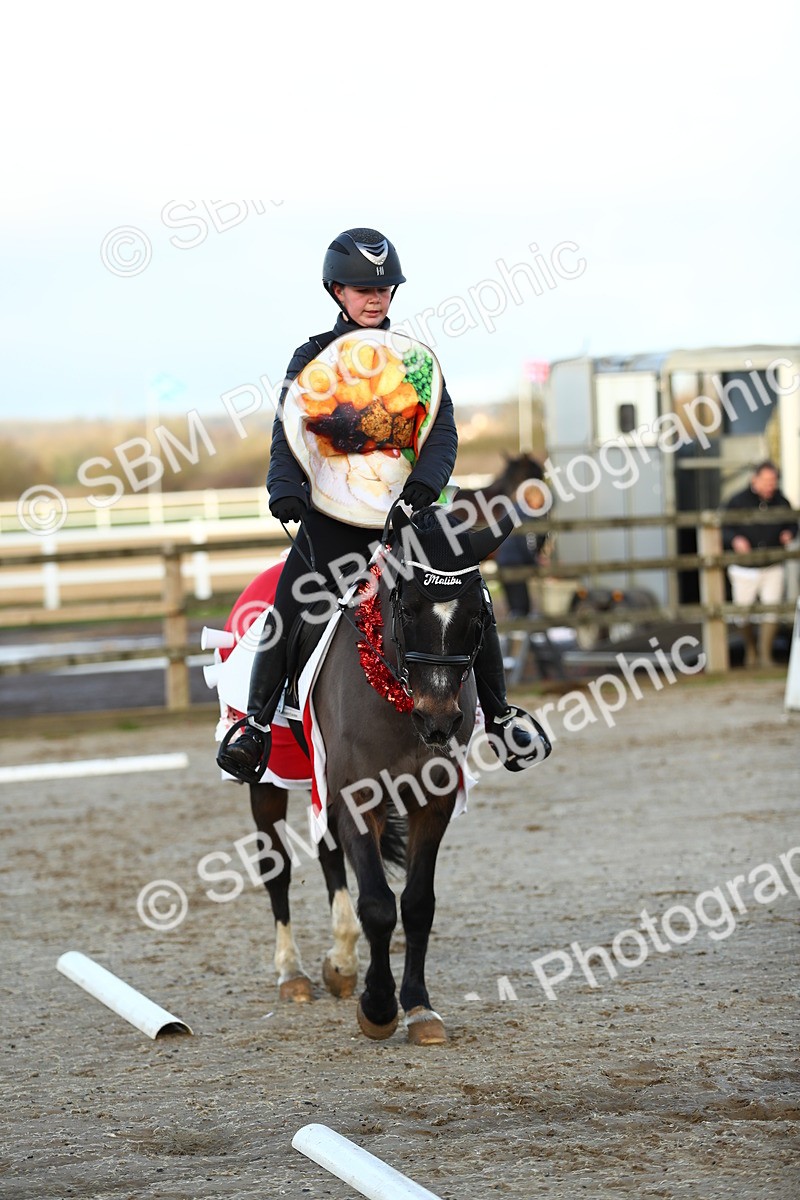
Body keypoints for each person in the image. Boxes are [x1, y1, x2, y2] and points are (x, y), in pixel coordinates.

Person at [218, 227, 545, 782]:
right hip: (337, 517)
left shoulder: (417, 363)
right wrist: (285, 487)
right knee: (287, 606)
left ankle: (499, 715)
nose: (374, 298)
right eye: (360, 288)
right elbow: (290, 435)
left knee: (472, 593)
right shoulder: (313, 356)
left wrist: (424, 483)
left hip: (410, 518)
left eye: (384, 289)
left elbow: (440, 436)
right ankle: (254, 725)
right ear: (336, 291)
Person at [721, 460, 798, 667]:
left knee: (771, 609)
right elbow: (724, 528)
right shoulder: (737, 501)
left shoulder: (781, 501)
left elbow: (792, 522)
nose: (770, 485)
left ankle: (765, 655)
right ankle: (750, 650)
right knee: (742, 612)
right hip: (744, 567)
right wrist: (735, 539)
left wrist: (789, 533)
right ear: (755, 479)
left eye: (773, 481)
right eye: (766, 481)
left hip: (772, 565)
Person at [495, 474, 550, 617]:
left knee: (515, 604)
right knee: (522, 605)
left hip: (504, 561)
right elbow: (526, 541)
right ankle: (520, 634)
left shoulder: (513, 508)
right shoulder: (525, 514)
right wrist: (535, 561)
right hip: (515, 562)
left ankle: (515, 634)